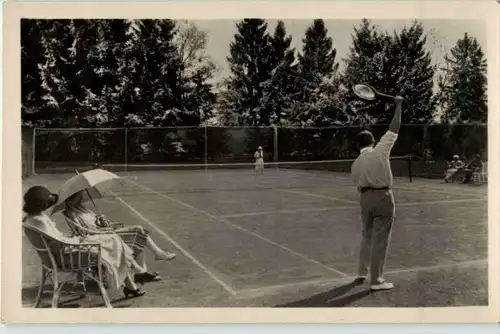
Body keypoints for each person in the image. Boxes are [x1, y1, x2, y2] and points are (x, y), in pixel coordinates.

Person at [22, 185, 147, 298]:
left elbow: (56, 238)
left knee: (112, 240)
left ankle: (131, 284)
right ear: (42, 204)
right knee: (112, 241)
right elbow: (59, 240)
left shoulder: (33, 218)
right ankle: (132, 281)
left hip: (63, 251)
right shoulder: (40, 221)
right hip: (65, 256)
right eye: (48, 201)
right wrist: (76, 239)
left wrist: (73, 237)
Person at [350, 95, 404, 291]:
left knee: (367, 235)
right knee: (380, 239)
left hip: (364, 199)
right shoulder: (380, 151)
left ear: (358, 145)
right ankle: (376, 280)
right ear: (373, 140)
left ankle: (361, 273)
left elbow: (357, 184)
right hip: (382, 197)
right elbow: (395, 126)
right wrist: (398, 104)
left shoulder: (355, 164)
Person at [64, 191, 176, 282]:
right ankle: (154, 258)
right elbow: (84, 231)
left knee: (138, 234)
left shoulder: (82, 208)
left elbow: (96, 223)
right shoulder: (72, 212)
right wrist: (102, 228)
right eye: (79, 196)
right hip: (103, 236)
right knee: (138, 230)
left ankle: (143, 272)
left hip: (107, 231)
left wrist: (101, 220)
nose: (81, 198)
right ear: (72, 198)